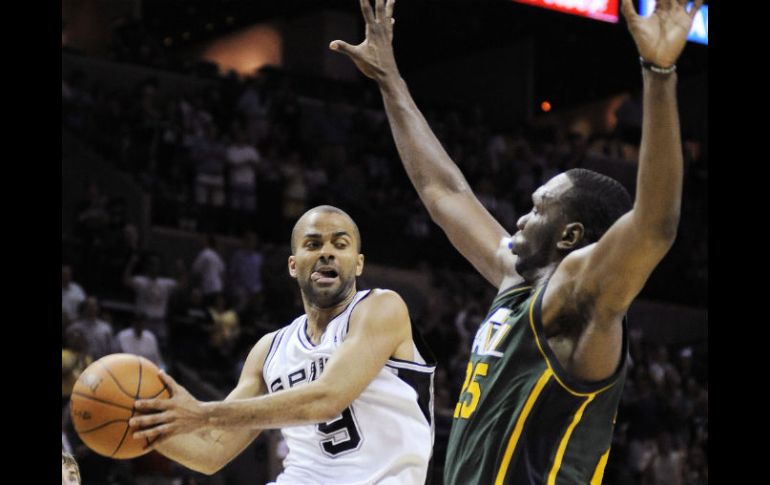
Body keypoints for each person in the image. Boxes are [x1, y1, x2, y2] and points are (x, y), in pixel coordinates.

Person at [330, 0, 702, 482]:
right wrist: (390, 80)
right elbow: (443, 191)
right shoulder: (517, 280)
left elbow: (655, 226)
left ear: (570, 236)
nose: (522, 217)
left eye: (539, 208)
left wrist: (659, 72)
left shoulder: (579, 294)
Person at [130, 205, 436, 484]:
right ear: (293, 264)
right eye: (313, 244)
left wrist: (202, 412)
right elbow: (212, 451)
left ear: (358, 264)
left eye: (340, 245)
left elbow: (327, 399)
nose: (327, 252)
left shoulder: (382, 308)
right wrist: (138, 426)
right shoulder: (269, 350)